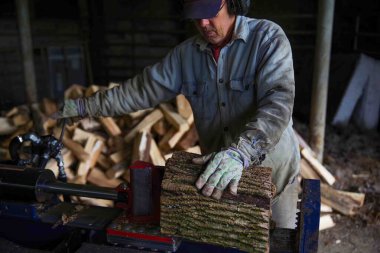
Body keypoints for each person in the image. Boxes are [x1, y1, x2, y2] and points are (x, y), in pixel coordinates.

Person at [55, 0, 300, 229]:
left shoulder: (267, 38)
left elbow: (277, 104)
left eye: (210, 13)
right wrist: (84, 107)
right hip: (218, 179)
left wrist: (242, 152)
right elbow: (138, 91)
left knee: (282, 240)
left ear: (232, 3)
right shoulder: (186, 56)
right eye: (196, 17)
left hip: (274, 175)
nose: (203, 24)